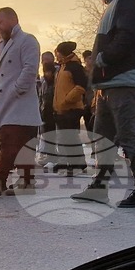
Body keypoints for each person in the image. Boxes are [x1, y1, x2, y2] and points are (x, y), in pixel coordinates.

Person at [71, 0, 135, 208]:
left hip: (123, 81)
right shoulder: (118, 1)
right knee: (103, 139)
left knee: (129, 137)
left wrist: (104, 58)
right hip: (109, 83)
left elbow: (128, 35)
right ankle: (99, 188)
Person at [0, 7, 42, 195]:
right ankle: (26, 184)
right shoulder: (2, 45)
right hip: (7, 104)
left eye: (0, 22)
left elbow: (30, 69)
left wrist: (15, 90)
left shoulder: (27, 40)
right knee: (22, 146)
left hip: (20, 103)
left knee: (10, 143)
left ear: (13, 20)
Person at [52, 41, 89, 175]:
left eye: (58, 53)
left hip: (72, 108)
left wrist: (67, 100)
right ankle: (74, 163)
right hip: (61, 109)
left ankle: (77, 165)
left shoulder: (74, 67)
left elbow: (81, 86)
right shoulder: (63, 67)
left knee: (71, 138)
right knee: (66, 138)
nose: (57, 56)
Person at [37, 51, 59, 168]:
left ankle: (54, 157)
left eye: (46, 59)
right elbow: (42, 93)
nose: (44, 62)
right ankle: (50, 156)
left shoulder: (58, 72)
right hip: (45, 108)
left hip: (55, 107)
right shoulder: (43, 76)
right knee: (47, 134)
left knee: (55, 134)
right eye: (42, 60)